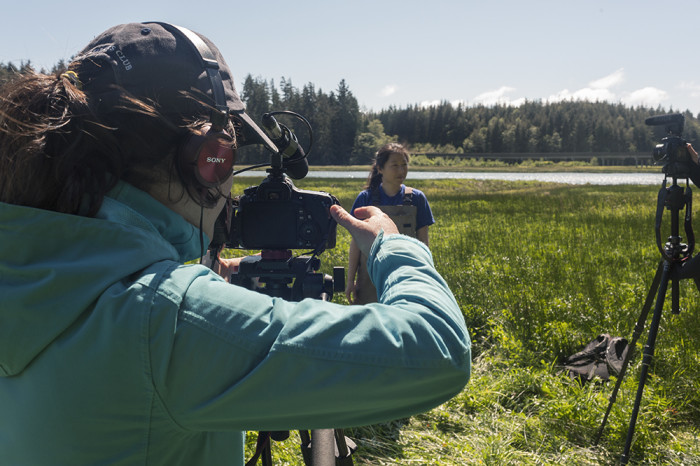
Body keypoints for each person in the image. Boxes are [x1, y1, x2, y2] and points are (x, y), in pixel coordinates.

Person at [0, 22, 471, 466]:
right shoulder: (163, 320)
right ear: (210, 158)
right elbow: (437, 350)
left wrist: (208, 270)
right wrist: (394, 246)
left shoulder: (28, 269)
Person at [346, 143, 435, 304]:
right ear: (380, 169)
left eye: (404, 165)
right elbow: (356, 244)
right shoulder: (365, 198)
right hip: (368, 280)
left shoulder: (417, 199)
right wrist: (350, 281)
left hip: (407, 278)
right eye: (395, 166)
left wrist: (429, 280)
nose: (401, 171)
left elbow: (424, 246)